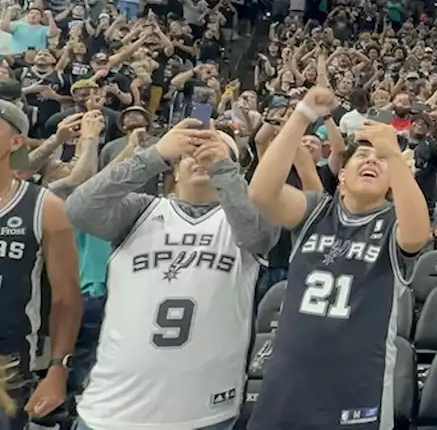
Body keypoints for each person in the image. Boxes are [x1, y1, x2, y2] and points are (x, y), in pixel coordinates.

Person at [64, 120, 277, 430]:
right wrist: (155, 154)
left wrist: (223, 168)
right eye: (192, 151)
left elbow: (258, 236)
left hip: (204, 412)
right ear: (174, 170)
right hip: (112, 407)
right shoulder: (139, 211)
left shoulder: (246, 223)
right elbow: (79, 210)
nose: (203, 157)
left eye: (217, 153)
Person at [246, 84, 432, 430]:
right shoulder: (316, 210)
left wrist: (392, 154)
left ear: (392, 180)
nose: (371, 160)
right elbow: (260, 192)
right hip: (289, 382)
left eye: (379, 160)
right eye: (361, 156)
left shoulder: (395, 223)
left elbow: (419, 234)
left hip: (356, 388)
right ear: (341, 176)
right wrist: (302, 114)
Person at [0, 99, 80, 427]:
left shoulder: (43, 206)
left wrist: (58, 367)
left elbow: (66, 298)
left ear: (16, 140)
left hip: (8, 367)